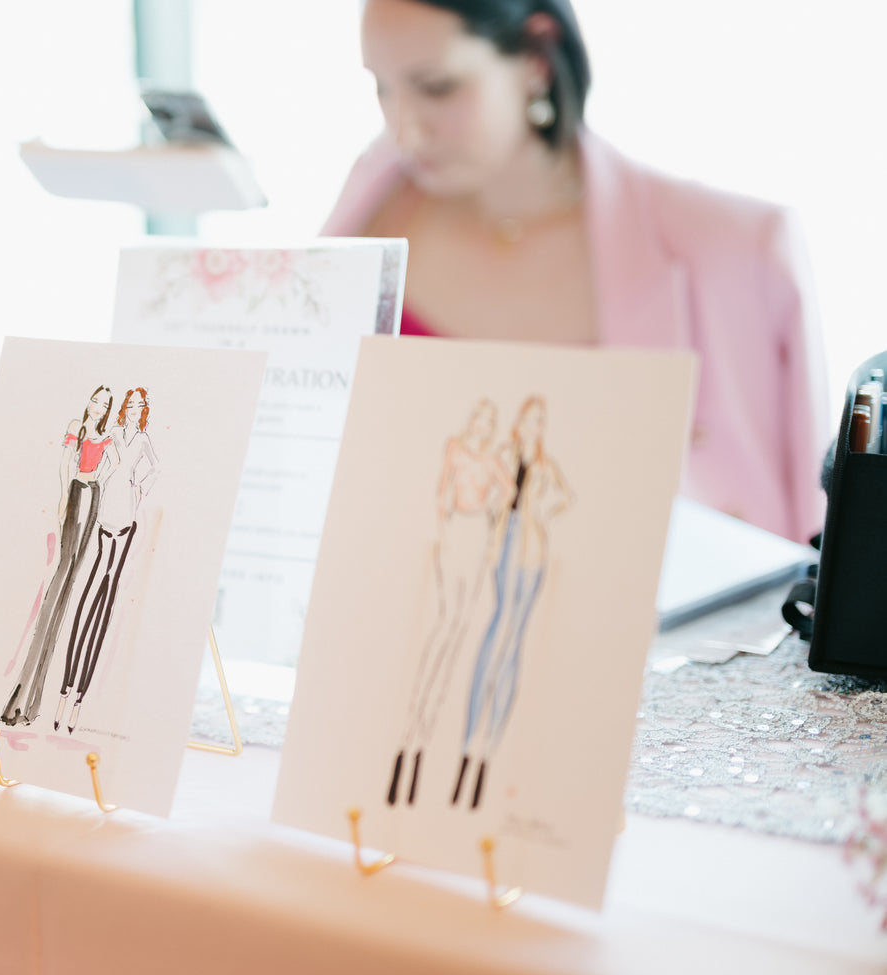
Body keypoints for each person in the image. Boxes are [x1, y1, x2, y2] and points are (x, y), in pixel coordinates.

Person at [324, 0, 828, 542]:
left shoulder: (737, 251)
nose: (404, 130)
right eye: (382, 88)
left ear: (536, 57)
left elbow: (810, 543)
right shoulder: (368, 204)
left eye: (438, 87)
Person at [388, 398, 511, 806]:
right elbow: (443, 487)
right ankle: (417, 710)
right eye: (482, 417)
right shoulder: (455, 447)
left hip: (477, 531)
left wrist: (492, 516)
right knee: (446, 619)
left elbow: (508, 489)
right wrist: (441, 527)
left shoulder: (492, 460)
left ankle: (432, 708)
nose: (485, 424)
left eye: (491, 420)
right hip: (456, 529)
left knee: (459, 622)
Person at [452, 395, 571, 809]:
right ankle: (471, 736)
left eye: (541, 422)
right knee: (497, 624)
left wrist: (540, 513)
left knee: (516, 634)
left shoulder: (544, 466)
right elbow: (490, 496)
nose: (534, 428)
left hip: (532, 550)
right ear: (519, 424)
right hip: (505, 543)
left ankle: (493, 744)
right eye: (529, 420)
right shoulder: (504, 454)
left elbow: (564, 498)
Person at [1, 387, 118, 727]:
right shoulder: (76, 427)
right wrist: (67, 496)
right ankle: (23, 699)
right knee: (62, 578)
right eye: (95, 401)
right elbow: (66, 464)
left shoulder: (105, 436)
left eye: (104, 404)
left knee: (70, 583)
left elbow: (113, 463)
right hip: (77, 495)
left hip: (92, 494)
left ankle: (33, 701)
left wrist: (99, 481)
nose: (98, 408)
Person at [55, 387, 161, 735]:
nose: (132, 410)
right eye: (129, 406)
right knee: (89, 593)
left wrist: (139, 486)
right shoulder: (113, 433)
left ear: (143, 410)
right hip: (105, 508)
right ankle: (65, 690)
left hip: (127, 511)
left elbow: (155, 467)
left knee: (109, 594)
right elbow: (101, 459)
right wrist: (97, 478)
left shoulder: (143, 439)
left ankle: (79, 697)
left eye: (138, 407)